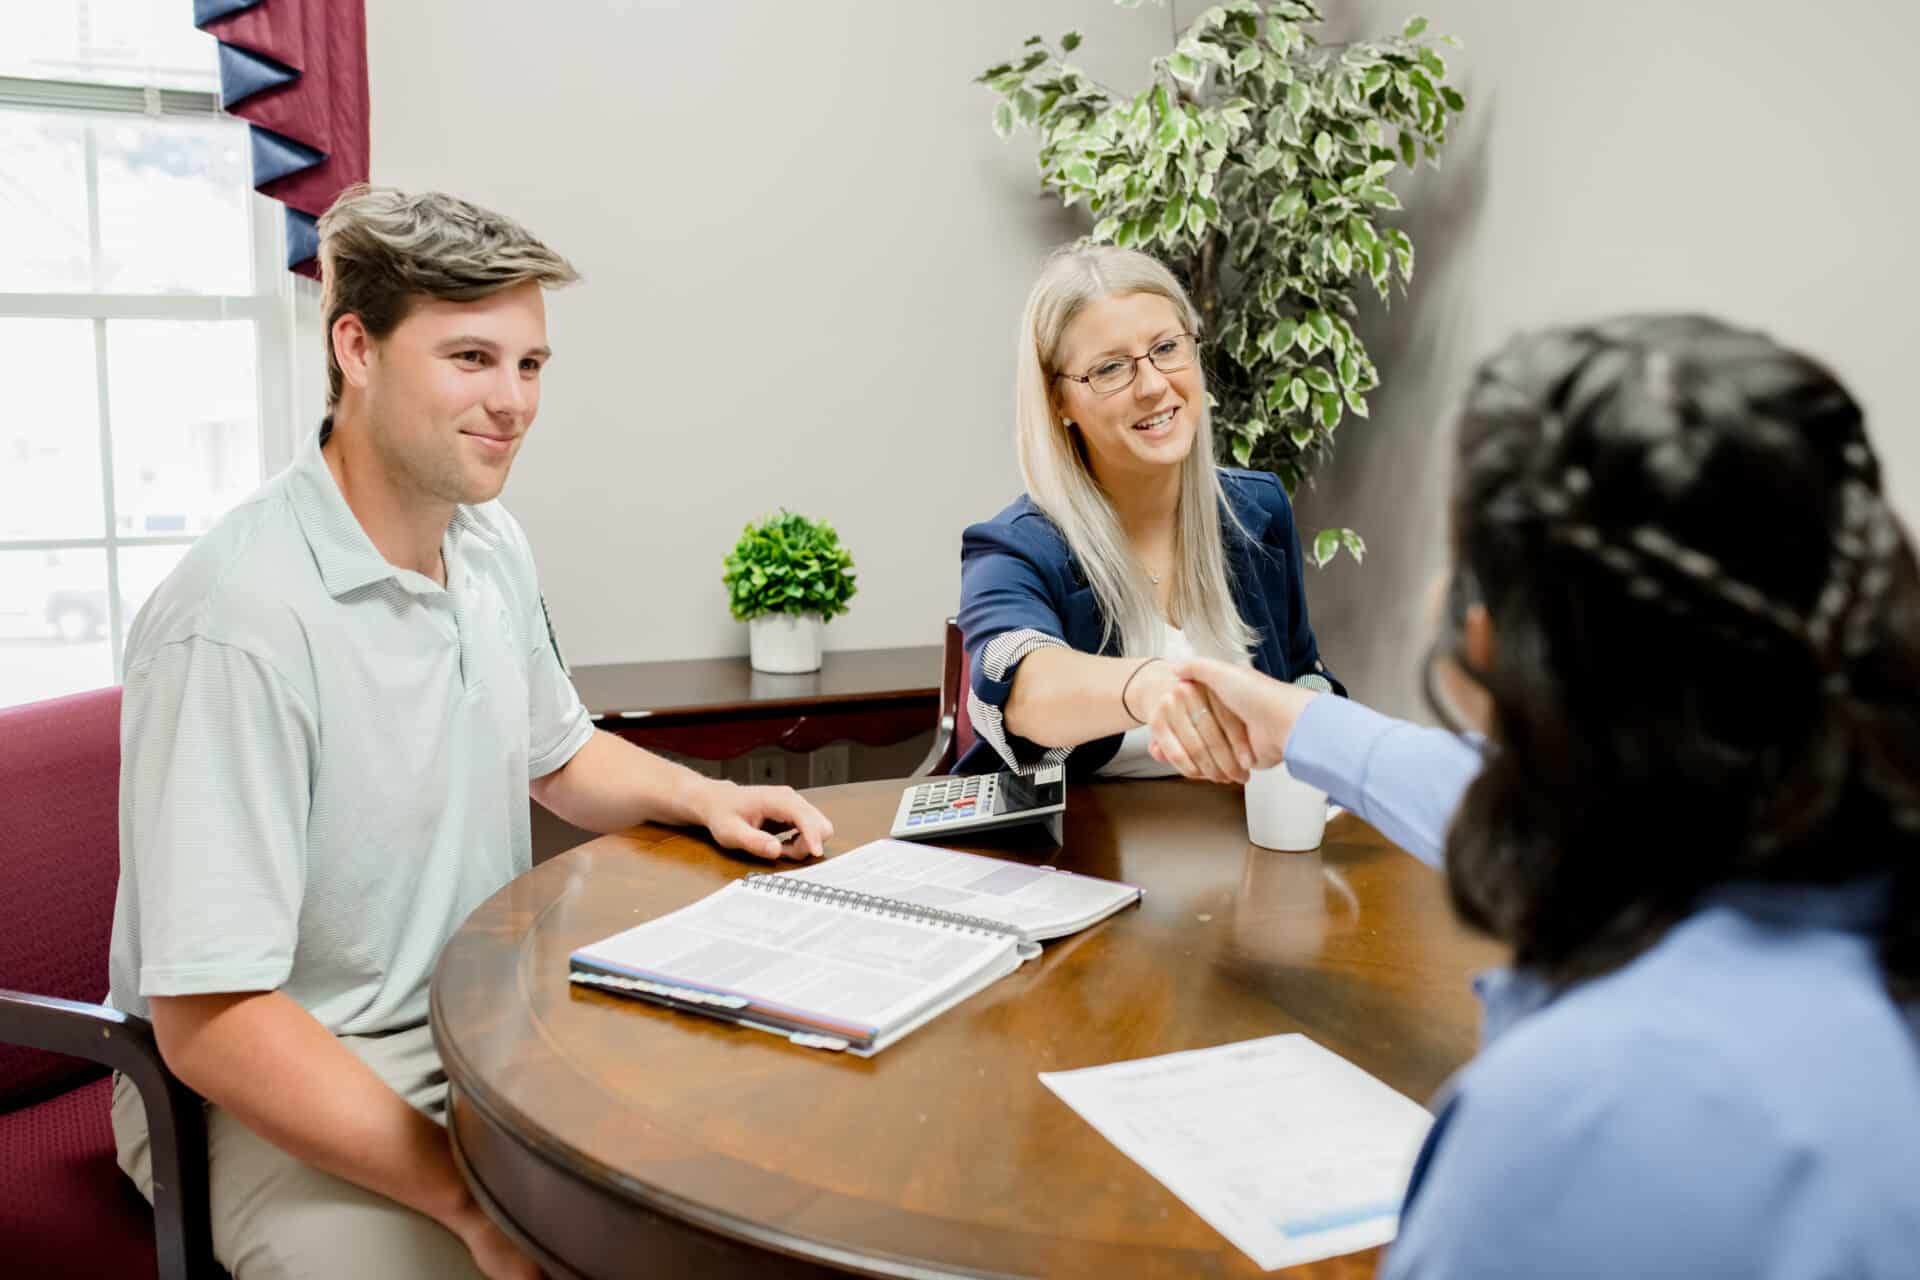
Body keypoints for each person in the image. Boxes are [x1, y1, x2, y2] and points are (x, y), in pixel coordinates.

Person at [106, 186, 832, 1280]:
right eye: (471, 358)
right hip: (261, 1082)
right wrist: (472, 1199)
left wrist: (704, 796)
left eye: (530, 364)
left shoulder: (486, 543)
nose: (513, 401)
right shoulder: (238, 622)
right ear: (356, 347)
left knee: (720, 1189)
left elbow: (558, 752)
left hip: (472, 1031)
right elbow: (212, 1019)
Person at [1174, 314, 1920, 1277]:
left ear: (1492, 645)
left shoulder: (1580, 1120)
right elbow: (1509, 797)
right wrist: (1297, 724)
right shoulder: (1825, 856)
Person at [956, 245, 1340, 785]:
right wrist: (1149, 687)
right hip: (1075, 859)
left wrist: (1324, 724)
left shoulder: (1257, 509)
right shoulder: (1013, 548)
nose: (1154, 385)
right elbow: (1024, 691)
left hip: (1243, 847)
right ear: (1057, 401)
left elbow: (1302, 674)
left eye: (1166, 348)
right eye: (1110, 368)